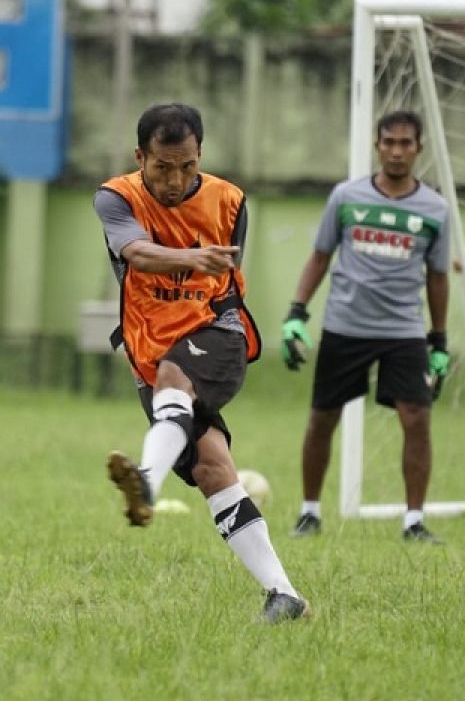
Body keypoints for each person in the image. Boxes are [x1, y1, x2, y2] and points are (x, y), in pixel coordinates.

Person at [95, 103, 310, 624]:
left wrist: (201, 266)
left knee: (176, 377)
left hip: (217, 332)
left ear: (201, 156)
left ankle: (147, 479)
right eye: (163, 167)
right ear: (139, 158)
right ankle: (285, 595)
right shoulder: (114, 198)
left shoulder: (230, 200)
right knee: (214, 467)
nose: (176, 179)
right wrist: (192, 258)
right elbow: (138, 254)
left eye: (188, 165)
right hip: (150, 350)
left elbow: (224, 277)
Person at [281, 110, 450, 543]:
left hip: (403, 330)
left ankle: (414, 520)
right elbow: (320, 256)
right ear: (377, 146)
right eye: (389, 142)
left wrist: (439, 340)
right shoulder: (346, 196)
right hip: (345, 324)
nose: (396, 151)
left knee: (417, 418)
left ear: (419, 149)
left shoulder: (436, 209)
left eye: (405, 143)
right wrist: (297, 312)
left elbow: (438, 277)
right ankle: (309, 512)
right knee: (322, 419)